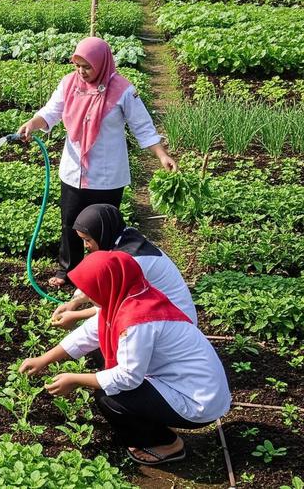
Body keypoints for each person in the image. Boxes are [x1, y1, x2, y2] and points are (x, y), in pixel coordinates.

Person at [20, 251, 230, 467]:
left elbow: (127, 377)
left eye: (91, 289)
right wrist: (44, 359)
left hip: (199, 400)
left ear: (106, 285)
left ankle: (168, 444)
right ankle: (159, 422)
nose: (89, 297)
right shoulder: (132, 296)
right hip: (191, 384)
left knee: (110, 397)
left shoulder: (137, 321)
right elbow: (88, 334)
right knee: (108, 380)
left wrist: (75, 379)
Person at [15, 36, 177, 288]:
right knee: (70, 222)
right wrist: (32, 124)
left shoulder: (123, 90)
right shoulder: (69, 84)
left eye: (87, 66)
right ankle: (68, 270)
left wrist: (162, 155)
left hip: (107, 175)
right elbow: (51, 112)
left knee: (103, 229)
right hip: (73, 171)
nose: (82, 71)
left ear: (102, 63)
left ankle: (102, 275)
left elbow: (142, 126)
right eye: (77, 65)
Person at [52, 204, 196, 330]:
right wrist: (74, 303)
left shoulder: (130, 261)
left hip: (176, 320)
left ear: (102, 233)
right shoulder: (124, 236)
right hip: (165, 312)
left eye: (87, 240)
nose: (85, 246)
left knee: (108, 328)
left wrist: (75, 316)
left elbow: (114, 308)